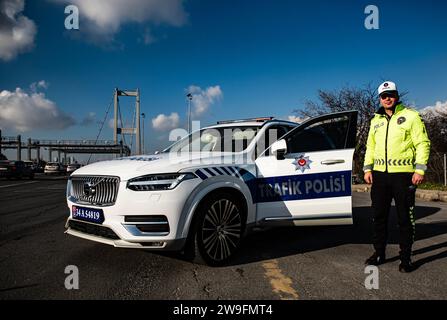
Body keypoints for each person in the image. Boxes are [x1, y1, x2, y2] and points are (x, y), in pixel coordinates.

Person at [363, 81, 431, 273]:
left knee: (405, 219)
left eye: (390, 94)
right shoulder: (375, 120)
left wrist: (420, 170)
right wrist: (367, 169)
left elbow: (423, 143)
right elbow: (371, 146)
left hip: (404, 177)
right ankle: (378, 253)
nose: (387, 98)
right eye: (384, 96)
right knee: (378, 217)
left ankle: (406, 258)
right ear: (379, 98)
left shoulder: (411, 116)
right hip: (380, 177)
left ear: (397, 96)